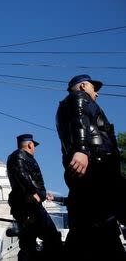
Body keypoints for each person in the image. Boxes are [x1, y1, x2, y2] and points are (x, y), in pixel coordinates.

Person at [56, 74, 126, 261]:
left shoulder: (68, 104)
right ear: (84, 86)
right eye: (94, 89)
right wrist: (82, 150)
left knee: (91, 226)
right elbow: (81, 120)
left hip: (95, 173)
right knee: (99, 223)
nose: (97, 94)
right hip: (96, 171)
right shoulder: (79, 98)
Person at [6, 134, 63, 261]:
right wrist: (33, 192)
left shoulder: (20, 156)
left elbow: (31, 178)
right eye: (33, 146)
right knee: (50, 237)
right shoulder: (20, 156)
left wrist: (42, 194)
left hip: (29, 204)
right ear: (30, 144)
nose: (34, 149)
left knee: (29, 240)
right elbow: (22, 175)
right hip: (29, 205)